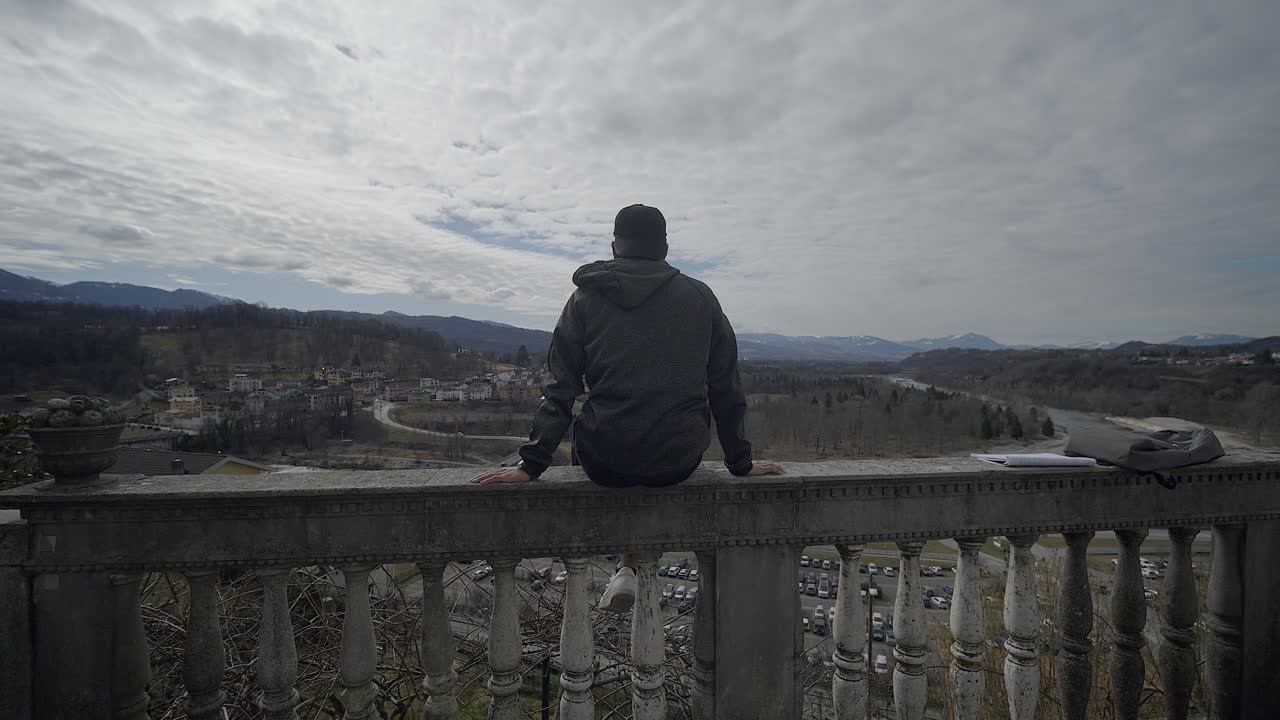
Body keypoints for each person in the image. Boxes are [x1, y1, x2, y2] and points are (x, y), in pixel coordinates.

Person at [472, 204, 783, 611]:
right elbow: (725, 387)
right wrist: (741, 463)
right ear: (665, 247)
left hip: (605, 458)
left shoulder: (585, 298)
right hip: (678, 457)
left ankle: (604, 559)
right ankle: (631, 564)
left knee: (604, 435)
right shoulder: (700, 298)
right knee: (657, 447)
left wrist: (530, 464)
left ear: (615, 246)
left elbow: (560, 389)